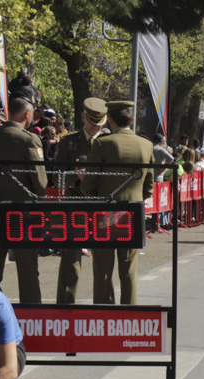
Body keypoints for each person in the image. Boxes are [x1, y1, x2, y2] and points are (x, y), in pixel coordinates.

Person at [0, 93, 47, 303]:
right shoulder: (29, 139)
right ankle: (32, 319)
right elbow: (40, 184)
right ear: (27, 113)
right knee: (28, 273)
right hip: (23, 215)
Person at [81, 100, 153, 305]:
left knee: (103, 268)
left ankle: (104, 311)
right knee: (129, 268)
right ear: (132, 120)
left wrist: (96, 198)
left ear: (109, 119)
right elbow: (149, 187)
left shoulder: (102, 143)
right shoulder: (146, 145)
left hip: (105, 212)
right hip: (133, 212)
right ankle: (129, 313)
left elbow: (88, 184)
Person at [53, 97, 107, 304]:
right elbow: (56, 176)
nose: (95, 128)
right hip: (75, 203)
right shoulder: (69, 142)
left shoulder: (109, 142)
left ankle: (103, 306)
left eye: (99, 124)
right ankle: (65, 305)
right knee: (71, 257)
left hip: (101, 205)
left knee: (103, 258)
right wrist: (76, 176)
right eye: (92, 123)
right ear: (84, 118)